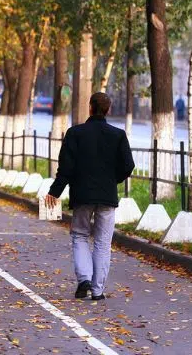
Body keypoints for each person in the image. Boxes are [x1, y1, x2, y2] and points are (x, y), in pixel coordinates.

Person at [45, 92, 134, 301]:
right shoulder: (118, 135)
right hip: (107, 196)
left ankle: (84, 278)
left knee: (80, 235)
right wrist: (113, 181)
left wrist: (54, 193)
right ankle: (97, 290)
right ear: (108, 110)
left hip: (82, 195)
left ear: (90, 108)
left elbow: (65, 169)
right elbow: (128, 166)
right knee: (103, 243)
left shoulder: (75, 133)